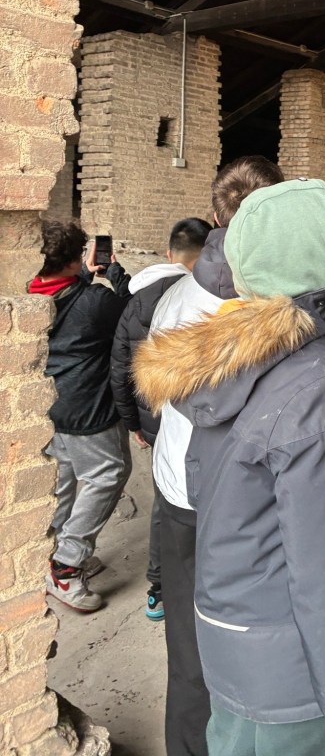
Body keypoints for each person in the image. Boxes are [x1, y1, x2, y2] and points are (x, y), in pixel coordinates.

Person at [134, 180, 325, 756]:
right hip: (297, 674)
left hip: (237, 640)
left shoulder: (229, 359)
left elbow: (208, 490)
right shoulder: (323, 384)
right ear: (314, 256)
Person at [148, 156, 284, 756]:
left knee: (188, 645)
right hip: (247, 504)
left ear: (214, 214)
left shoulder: (175, 299)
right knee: (255, 641)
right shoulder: (276, 308)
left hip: (180, 494)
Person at [110, 217, 212, 620]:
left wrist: (132, 423)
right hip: (201, 423)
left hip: (153, 420)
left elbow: (121, 367)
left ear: (170, 253)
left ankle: (159, 588)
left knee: (164, 505)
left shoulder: (139, 298)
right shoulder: (209, 298)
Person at [28, 221, 132, 613]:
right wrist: (114, 273)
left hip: (48, 406)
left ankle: (51, 554)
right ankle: (66, 565)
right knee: (108, 473)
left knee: (66, 479)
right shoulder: (94, 301)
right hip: (88, 408)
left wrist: (83, 276)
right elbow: (134, 313)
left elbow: (64, 298)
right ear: (76, 258)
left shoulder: (29, 294)